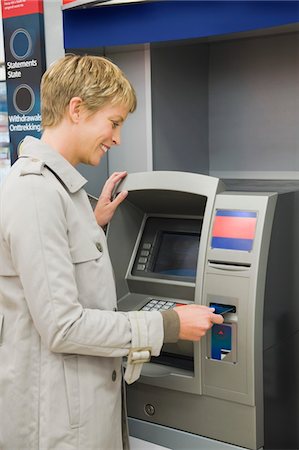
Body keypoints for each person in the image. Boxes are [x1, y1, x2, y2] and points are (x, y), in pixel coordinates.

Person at [0, 54, 223, 450]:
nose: (117, 137)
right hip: (54, 427)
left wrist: (93, 224)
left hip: (74, 409)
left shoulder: (61, 196)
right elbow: (63, 326)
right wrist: (167, 325)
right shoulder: (36, 192)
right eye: (114, 122)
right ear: (77, 109)